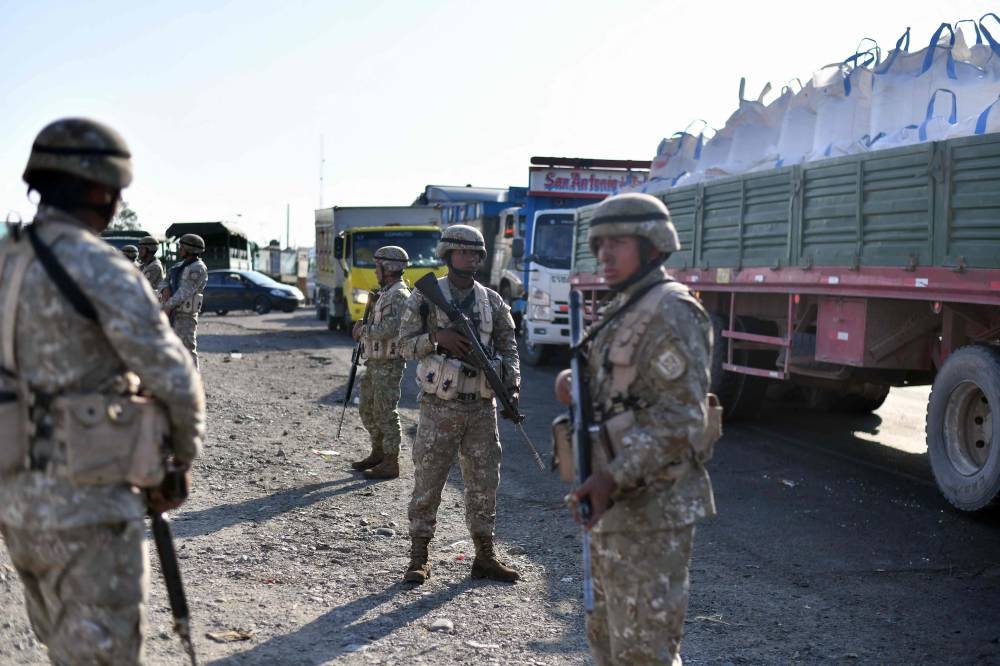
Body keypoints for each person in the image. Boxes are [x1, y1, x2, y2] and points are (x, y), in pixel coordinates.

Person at [0, 117, 204, 665]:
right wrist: (178, 461)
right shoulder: (100, 267)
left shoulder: (6, 260)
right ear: (99, 188)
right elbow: (175, 379)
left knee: (64, 645)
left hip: (16, 502)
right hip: (88, 505)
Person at [555, 192, 717, 665]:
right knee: (606, 644)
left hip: (653, 513)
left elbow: (680, 419)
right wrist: (577, 384)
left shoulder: (672, 310)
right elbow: (627, 389)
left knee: (643, 653)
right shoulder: (626, 306)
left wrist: (609, 479)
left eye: (618, 242)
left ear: (652, 245)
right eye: (599, 243)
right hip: (615, 508)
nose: (604, 254)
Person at [396, 224, 521, 584]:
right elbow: (404, 345)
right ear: (448, 255)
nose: (472, 258)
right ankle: (418, 557)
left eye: (477, 253)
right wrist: (437, 338)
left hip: (481, 407)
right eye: (465, 252)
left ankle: (484, 556)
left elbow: (509, 347)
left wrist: (511, 387)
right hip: (439, 407)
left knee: (484, 483)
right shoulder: (424, 297)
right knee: (429, 480)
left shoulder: (492, 301)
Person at [351, 245, 411, 480]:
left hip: (389, 363)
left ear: (389, 267)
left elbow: (390, 328)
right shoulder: (386, 292)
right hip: (376, 362)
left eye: (378, 266)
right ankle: (378, 453)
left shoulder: (399, 295)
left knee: (386, 412)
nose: (375, 271)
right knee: (368, 409)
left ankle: (390, 462)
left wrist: (363, 330)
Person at [162, 234, 208, 368]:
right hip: (173, 314)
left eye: (181, 247)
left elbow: (185, 291)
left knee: (187, 349)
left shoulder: (198, 268)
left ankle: (194, 384)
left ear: (190, 249)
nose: (179, 249)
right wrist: (165, 288)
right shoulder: (178, 266)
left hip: (186, 316)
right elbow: (164, 281)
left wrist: (168, 306)